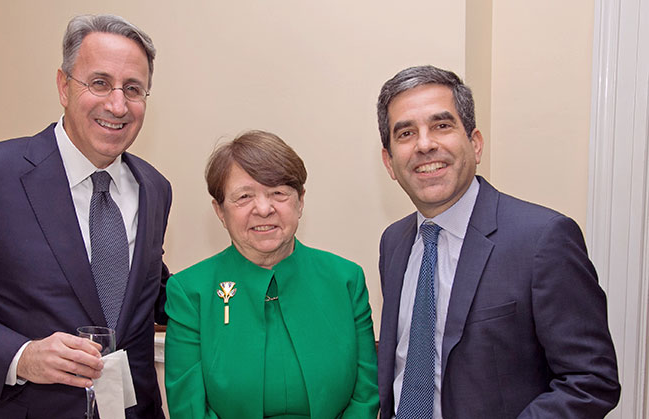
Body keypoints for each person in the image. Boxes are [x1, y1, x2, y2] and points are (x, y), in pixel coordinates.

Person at [0, 14, 171, 418]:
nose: (117, 104)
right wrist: (21, 355)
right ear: (63, 86)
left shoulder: (154, 187)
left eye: (133, 89)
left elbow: (148, 291)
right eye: (99, 83)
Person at [375, 65, 620, 419]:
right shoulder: (393, 243)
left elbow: (590, 380)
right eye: (406, 133)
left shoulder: (543, 239)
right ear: (389, 162)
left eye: (441, 125)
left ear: (475, 144)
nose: (425, 144)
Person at [164, 130, 379, 418]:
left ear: (300, 201)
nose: (264, 209)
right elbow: (189, 409)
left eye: (278, 193)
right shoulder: (190, 292)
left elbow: (365, 395)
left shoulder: (346, 280)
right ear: (220, 211)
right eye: (244, 197)